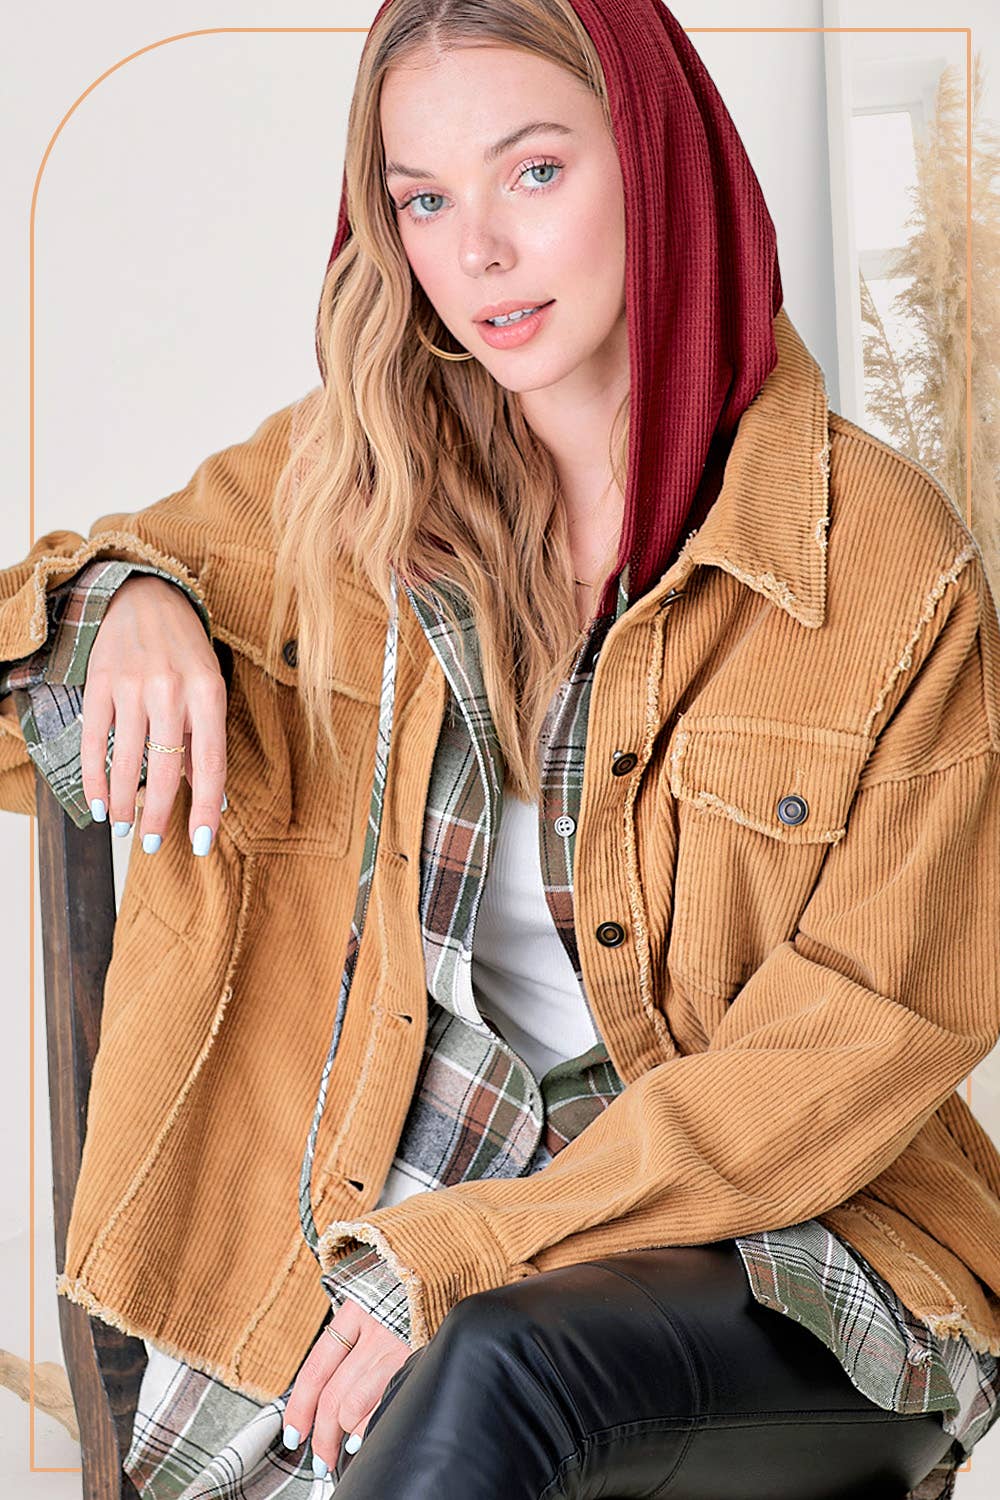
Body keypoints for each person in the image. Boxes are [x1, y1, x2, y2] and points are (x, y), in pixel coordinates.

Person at [1, 1, 999, 1496]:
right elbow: (27, 705)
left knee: (495, 1363)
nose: (476, 253)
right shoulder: (345, 484)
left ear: (655, 164)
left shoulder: (883, 566)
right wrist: (121, 597)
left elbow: (865, 1037)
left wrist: (476, 1251)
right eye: (422, 199)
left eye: (534, 171)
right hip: (387, 1210)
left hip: (783, 1250)